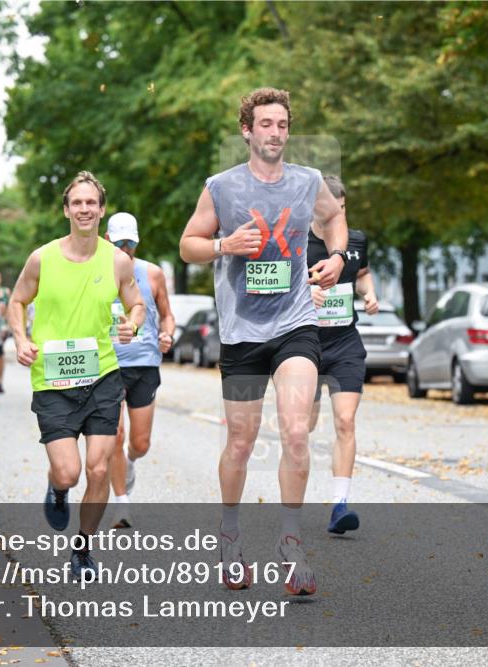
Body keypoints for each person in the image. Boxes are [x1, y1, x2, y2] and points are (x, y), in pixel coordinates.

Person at [179, 87, 348, 596]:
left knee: (297, 433)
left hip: (295, 323)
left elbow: (335, 217)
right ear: (247, 131)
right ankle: (230, 536)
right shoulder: (222, 188)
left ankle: (291, 543)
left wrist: (338, 257)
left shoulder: (308, 181)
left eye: (282, 124)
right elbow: (188, 246)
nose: (275, 132)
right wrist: (223, 245)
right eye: (265, 124)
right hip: (242, 332)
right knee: (241, 442)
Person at [7, 171, 145, 579]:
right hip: (52, 379)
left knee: (99, 469)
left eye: (91, 203)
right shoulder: (42, 258)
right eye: (77, 203)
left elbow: (136, 305)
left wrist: (132, 325)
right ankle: (58, 486)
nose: (84, 209)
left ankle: (82, 549)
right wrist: (19, 338)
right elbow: (17, 301)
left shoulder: (118, 260)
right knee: (69, 471)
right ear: (66, 210)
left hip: (102, 375)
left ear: (101, 210)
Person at [307, 175, 379, 535]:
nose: (340, 215)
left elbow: (362, 274)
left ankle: (339, 505)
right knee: (301, 426)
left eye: (344, 208)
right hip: (303, 345)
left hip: (345, 344)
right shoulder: (295, 242)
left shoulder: (357, 241)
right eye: (333, 209)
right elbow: (274, 288)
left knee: (345, 422)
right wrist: (305, 294)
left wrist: (369, 293)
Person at [104, 212, 175, 529]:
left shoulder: (153, 274)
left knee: (140, 443)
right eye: (119, 242)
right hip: (109, 364)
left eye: (129, 242)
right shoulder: (96, 274)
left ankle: (130, 463)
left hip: (145, 364)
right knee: (114, 435)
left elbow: (167, 316)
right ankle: (122, 504)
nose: (125, 248)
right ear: (108, 240)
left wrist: (167, 335)